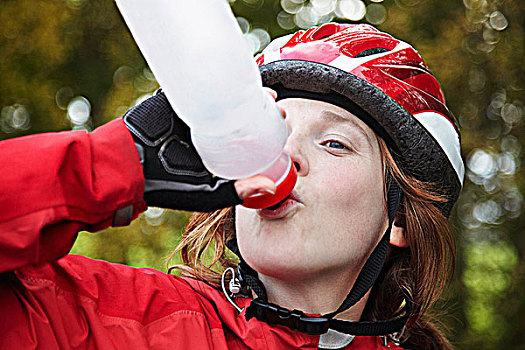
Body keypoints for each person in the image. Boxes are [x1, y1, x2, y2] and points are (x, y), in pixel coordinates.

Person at [0, 23, 463, 349]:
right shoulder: (105, 319)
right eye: (274, 134)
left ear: (400, 216)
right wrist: (111, 164)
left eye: (335, 143)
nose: (285, 157)